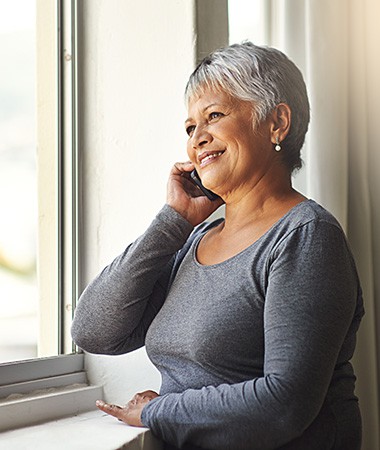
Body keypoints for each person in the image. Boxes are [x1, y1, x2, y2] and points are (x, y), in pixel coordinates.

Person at [71, 42, 364, 449]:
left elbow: (285, 404)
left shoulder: (305, 236)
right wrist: (172, 221)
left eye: (214, 115)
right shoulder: (192, 240)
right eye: (190, 127)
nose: (198, 138)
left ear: (277, 122)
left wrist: (160, 410)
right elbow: (93, 331)